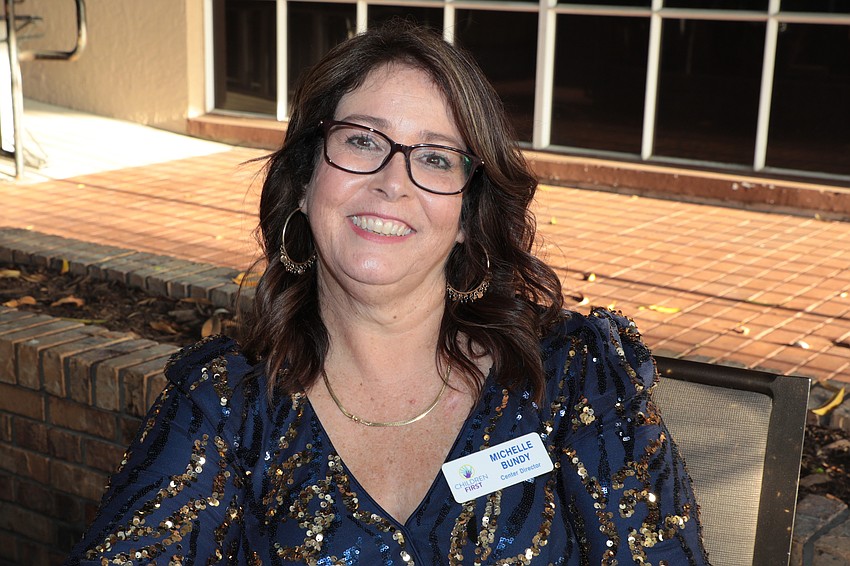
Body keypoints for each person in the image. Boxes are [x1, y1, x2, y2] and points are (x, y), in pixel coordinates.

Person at [65, 23, 709, 565]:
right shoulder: (226, 409)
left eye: (434, 157)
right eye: (362, 141)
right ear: (306, 178)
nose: (391, 182)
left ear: (466, 216)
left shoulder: (575, 380)